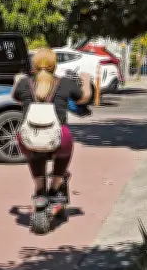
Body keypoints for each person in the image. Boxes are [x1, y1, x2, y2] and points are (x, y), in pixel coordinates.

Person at [12, 48, 93, 207]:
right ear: (54, 65)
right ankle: (55, 188)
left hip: (29, 137)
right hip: (58, 138)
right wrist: (85, 81)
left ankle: (39, 188)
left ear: (34, 65)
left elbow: (16, 98)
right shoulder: (65, 83)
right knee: (65, 147)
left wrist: (17, 80)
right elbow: (83, 99)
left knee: (34, 153)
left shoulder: (24, 83)